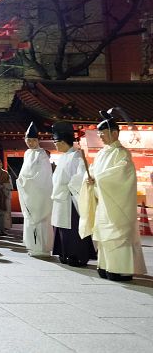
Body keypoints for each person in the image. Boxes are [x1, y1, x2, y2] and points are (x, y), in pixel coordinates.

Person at [81, 109, 147, 281]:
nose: (100, 137)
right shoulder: (102, 153)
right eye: (99, 134)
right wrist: (88, 178)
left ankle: (121, 269)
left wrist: (98, 178)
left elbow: (121, 175)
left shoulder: (122, 153)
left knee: (118, 235)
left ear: (115, 133)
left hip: (117, 203)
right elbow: (93, 171)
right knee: (105, 235)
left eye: (103, 133)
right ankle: (105, 265)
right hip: (104, 202)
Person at [48, 122, 95, 267]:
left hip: (69, 198)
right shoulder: (64, 157)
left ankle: (77, 255)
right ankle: (64, 252)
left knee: (72, 228)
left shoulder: (75, 156)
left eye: (56, 142)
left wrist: (69, 187)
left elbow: (80, 176)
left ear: (62, 142)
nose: (55, 145)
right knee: (62, 228)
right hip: (60, 197)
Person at [16, 123, 54, 257]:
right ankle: (32, 246)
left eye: (33, 140)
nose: (30, 143)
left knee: (41, 219)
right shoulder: (27, 153)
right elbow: (24, 171)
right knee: (30, 219)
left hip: (39, 192)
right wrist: (22, 180)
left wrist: (27, 181)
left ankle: (42, 248)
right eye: (28, 140)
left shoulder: (42, 154)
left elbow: (43, 175)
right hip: (29, 192)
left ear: (38, 141)